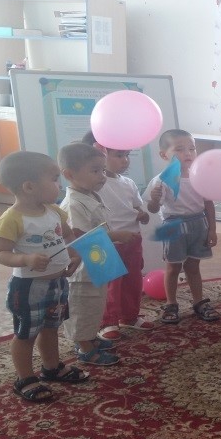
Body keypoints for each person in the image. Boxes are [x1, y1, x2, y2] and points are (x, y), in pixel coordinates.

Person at [0, 151, 88, 402]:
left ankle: (51, 367)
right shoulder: (11, 218)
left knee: (50, 327)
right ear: (29, 187)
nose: (60, 184)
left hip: (57, 283)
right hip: (28, 287)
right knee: (26, 333)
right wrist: (25, 259)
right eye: (54, 179)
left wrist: (74, 255)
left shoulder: (54, 211)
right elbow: (0, 253)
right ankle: (25, 378)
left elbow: (68, 236)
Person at [59, 142, 138, 365]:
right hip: (83, 268)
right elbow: (81, 236)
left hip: (98, 261)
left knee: (95, 305)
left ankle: (91, 338)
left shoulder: (91, 195)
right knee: (82, 307)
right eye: (95, 171)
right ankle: (85, 348)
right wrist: (116, 236)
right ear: (69, 174)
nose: (102, 176)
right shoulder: (73, 203)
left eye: (103, 170)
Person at [81, 132, 156, 341]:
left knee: (133, 281)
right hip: (106, 242)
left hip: (132, 240)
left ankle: (129, 316)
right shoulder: (94, 185)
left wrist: (142, 215)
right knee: (109, 284)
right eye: (119, 155)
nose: (125, 160)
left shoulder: (129, 183)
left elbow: (138, 208)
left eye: (127, 155)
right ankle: (107, 322)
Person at [144, 129, 219, 323]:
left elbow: (208, 203)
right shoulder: (161, 180)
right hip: (173, 225)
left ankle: (198, 301)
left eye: (192, 148)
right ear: (164, 155)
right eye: (180, 149)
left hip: (199, 223)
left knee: (193, 266)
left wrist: (212, 229)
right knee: (173, 267)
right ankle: (171, 303)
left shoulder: (200, 176)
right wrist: (154, 200)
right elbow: (153, 209)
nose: (188, 153)